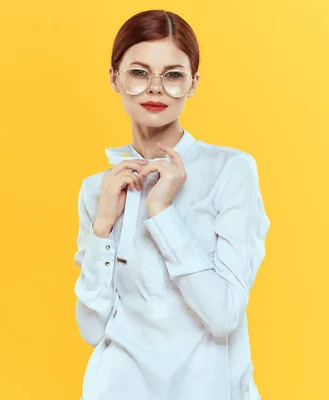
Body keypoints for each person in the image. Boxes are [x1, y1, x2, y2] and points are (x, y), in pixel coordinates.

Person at [73, 9, 270, 400]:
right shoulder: (99, 190)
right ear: (114, 77)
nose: (156, 88)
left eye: (173, 75)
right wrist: (102, 228)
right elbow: (91, 330)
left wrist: (162, 214)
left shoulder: (231, 171)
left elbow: (224, 315)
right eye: (139, 72)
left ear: (193, 83)